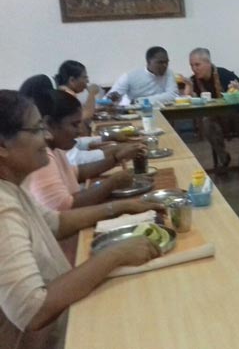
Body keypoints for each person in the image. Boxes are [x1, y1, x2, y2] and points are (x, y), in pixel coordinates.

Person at [0, 90, 163, 349]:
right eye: (37, 130)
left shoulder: (12, 188)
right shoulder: (3, 208)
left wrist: (121, 207)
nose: (47, 137)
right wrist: (116, 255)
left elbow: (57, 222)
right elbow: (33, 310)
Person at [23, 89, 142, 211]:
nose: (80, 131)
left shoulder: (55, 148)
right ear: (49, 124)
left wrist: (116, 158)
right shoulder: (41, 159)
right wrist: (112, 183)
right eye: (74, 125)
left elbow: (77, 173)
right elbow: (63, 207)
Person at [181, 47, 239, 171]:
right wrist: (188, 88)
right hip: (214, 119)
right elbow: (186, 102)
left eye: (197, 65)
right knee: (207, 123)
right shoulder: (194, 80)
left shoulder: (223, 74)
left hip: (233, 116)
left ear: (208, 63)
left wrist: (238, 89)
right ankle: (223, 157)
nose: (194, 69)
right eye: (191, 65)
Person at [106, 46, 178, 105]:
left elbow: (172, 95)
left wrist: (139, 101)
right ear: (148, 62)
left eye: (166, 62)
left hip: (161, 111)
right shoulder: (130, 76)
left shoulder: (169, 73)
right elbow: (110, 98)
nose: (165, 65)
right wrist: (113, 98)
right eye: (160, 62)